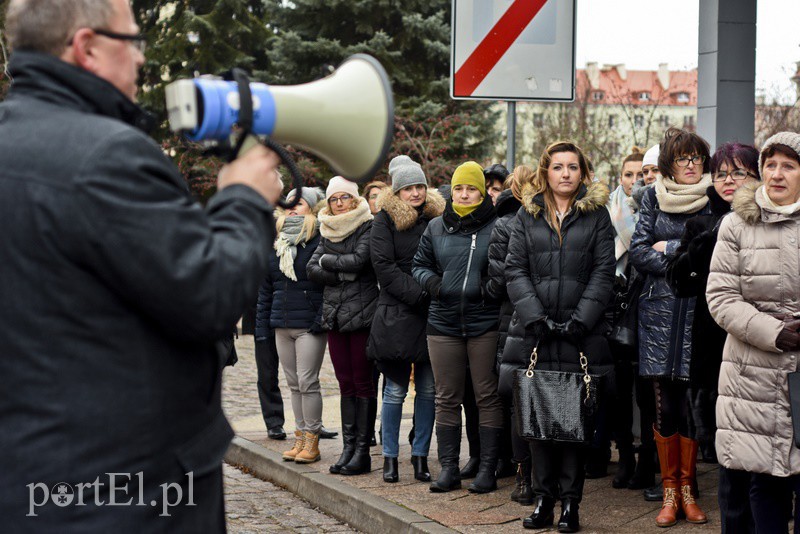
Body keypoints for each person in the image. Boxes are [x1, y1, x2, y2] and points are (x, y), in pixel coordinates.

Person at [0, 0, 283, 529]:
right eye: (132, 43)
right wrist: (243, 198)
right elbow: (211, 296)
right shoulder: (108, 156)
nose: (140, 60)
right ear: (87, 47)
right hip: (124, 494)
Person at [503, 141, 615, 532]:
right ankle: (542, 500)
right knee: (537, 423)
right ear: (545, 172)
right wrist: (536, 318)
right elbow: (514, 270)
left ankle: (570, 504)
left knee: (572, 425)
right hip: (536, 337)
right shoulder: (527, 214)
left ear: (583, 172)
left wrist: (580, 321)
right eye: (558, 167)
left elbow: (604, 273)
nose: (565, 173)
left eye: (572, 167)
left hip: (579, 336)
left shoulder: (597, 215)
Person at [707, 132, 800, 533]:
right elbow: (722, 297)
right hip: (753, 373)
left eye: (789, 166)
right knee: (765, 482)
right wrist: (774, 333)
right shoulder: (736, 224)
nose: (777, 174)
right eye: (770, 164)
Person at [667, 142, 760, 532]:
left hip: (760, 343)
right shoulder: (699, 223)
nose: (728, 180)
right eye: (721, 173)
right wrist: (705, 245)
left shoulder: (768, 219)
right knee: (728, 452)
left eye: (738, 172)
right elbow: (678, 282)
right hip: (713, 344)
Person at [629, 127, 712, 527]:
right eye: (684, 158)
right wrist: (686, 262)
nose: (692, 165)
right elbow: (640, 251)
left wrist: (674, 250)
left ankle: (689, 491)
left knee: (692, 406)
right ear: (669, 165)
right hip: (658, 314)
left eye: (697, 158)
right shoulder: (651, 198)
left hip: (699, 313)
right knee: (663, 407)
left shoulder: (713, 202)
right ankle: (669, 492)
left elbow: (712, 253)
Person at [413, 161, 502, 494]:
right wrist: (436, 286)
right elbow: (419, 265)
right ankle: (449, 467)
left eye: (472, 188)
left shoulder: (497, 226)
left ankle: (487, 469)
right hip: (443, 323)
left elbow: (504, 268)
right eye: (460, 188)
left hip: (484, 323)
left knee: (486, 397)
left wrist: (487, 290)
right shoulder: (436, 227)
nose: (465, 194)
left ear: (481, 192)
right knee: (446, 397)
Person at [368, 155, 445, 483]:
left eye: (420, 187)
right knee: (395, 391)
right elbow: (383, 267)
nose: (416, 193)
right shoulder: (383, 220)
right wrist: (420, 293)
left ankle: (419, 457)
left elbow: (443, 259)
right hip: (397, 314)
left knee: (428, 391)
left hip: (432, 314)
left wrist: (433, 291)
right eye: (409, 188)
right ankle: (389, 458)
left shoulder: (436, 218)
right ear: (397, 191)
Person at [307, 176, 378, 476]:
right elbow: (310, 268)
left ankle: (362, 451)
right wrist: (338, 270)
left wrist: (328, 262)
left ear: (354, 199)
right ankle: (348, 447)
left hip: (362, 314)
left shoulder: (367, 225)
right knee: (344, 382)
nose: (338, 204)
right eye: (334, 199)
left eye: (344, 198)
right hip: (334, 315)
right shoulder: (326, 227)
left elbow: (361, 260)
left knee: (363, 383)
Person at [256, 187, 329, 464]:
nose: (292, 207)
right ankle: (299, 439)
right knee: (293, 384)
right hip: (281, 323)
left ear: (310, 207)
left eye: (299, 203)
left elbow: (327, 286)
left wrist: (318, 319)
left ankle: (312, 440)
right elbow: (266, 290)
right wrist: (264, 328)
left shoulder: (320, 237)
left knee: (307, 382)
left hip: (308, 325)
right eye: (289, 203)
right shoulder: (278, 242)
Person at [487, 165, 537, 505]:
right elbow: (503, 276)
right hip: (514, 321)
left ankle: (547, 475)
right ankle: (523, 474)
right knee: (520, 402)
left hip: (549, 320)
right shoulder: (505, 225)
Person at [605, 147, 649, 490]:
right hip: (616, 307)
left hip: (647, 306)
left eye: (640, 174)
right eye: (628, 175)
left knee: (648, 392)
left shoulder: (655, 206)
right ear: (619, 178)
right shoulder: (609, 210)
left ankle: (649, 457)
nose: (635, 181)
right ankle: (625, 456)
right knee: (619, 391)